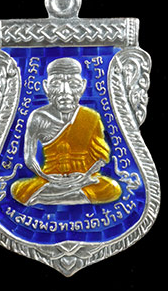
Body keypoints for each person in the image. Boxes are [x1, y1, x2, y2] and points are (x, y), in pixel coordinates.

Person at [10, 57, 122, 206]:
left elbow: (101, 157)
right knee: (17, 189)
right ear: (46, 87)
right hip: (50, 179)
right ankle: (72, 196)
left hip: (83, 179)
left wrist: (86, 175)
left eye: (73, 84)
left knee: (112, 188)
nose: (65, 91)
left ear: (83, 86)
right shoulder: (38, 117)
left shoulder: (91, 117)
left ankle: (49, 198)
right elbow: (29, 158)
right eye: (56, 84)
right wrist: (47, 177)